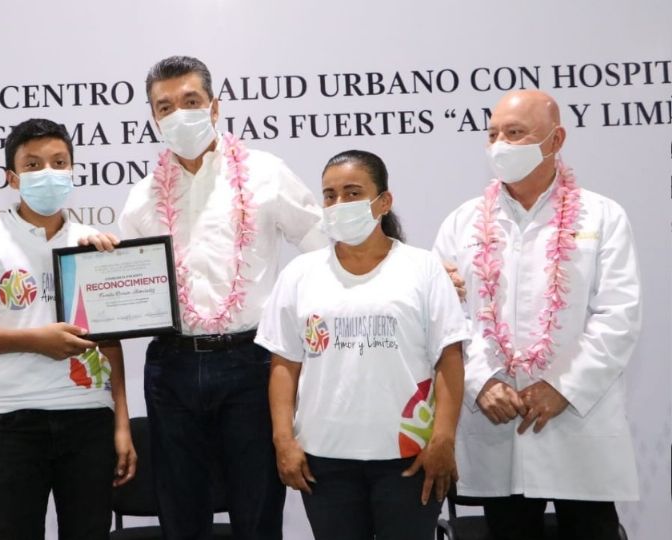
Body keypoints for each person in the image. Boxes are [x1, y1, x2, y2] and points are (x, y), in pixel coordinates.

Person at [101, 55, 327, 540]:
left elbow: (324, 247)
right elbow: (121, 286)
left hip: (251, 362)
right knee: (180, 513)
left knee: (258, 507)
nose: (179, 115)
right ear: (152, 118)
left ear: (215, 106)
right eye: (165, 107)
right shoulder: (142, 198)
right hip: (172, 367)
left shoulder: (266, 173)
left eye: (190, 101)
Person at [433, 89, 641, 540]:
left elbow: (618, 315)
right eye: (493, 135)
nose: (500, 145)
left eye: (515, 133)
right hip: (497, 421)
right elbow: (444, 320)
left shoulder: (602, 216)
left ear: (556, 138)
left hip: (578, 421)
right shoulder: (461, 223)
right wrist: (481, 382)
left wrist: (563, 387)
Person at [0, 118, 136, 540]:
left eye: (59, 162)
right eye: (33, 164)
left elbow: (110, 342)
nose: (48, 172)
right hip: (12, 422)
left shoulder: (93, 243)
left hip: (88, 420)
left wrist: (121, 425)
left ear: (73, 171)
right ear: (12, 177)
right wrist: (34, 340)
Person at [259, 150, 467, 539]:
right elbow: (284, 365)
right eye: (330, 195)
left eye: (353, 193)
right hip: (325, 460)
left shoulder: (423, 269)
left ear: (384, 201)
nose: (339, 204)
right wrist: (283, 440)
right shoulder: (300, 275)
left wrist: (443, 438)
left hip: (408, 458)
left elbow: (449, 358)